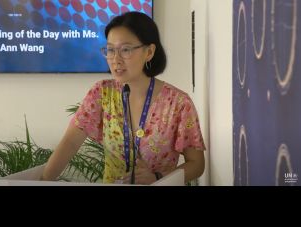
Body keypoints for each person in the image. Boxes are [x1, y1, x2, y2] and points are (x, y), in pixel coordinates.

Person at [42, 12, 205, 185]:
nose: (115, 60)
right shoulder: (101, 93)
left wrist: (159, 178)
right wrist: (41, 181)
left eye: (125, 50)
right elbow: (70, 143)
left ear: (149, 52)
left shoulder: (178, 103)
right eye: (111, 50)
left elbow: (197, 164)